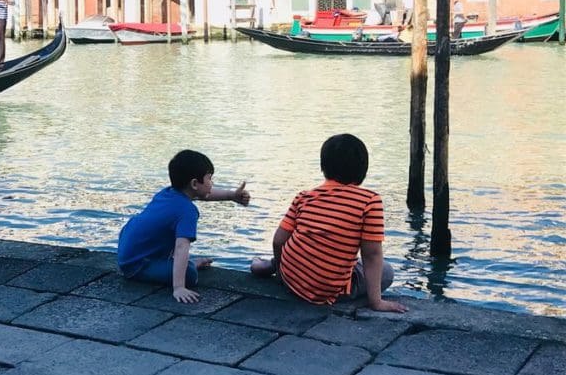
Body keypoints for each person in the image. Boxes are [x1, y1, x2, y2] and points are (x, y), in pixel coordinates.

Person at [250, 134, 407, 314]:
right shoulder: (369, 201)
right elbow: (371, 255)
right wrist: (376, 302)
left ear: (323, 167)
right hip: (325, 290)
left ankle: (270, 265)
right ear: (363, 169)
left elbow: (278, 241)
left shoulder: (304, 197)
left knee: (305, 244)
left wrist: (280, 272)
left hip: (290, 278)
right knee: (386, 271)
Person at [118, 150, 250, 304]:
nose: (212, 184)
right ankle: (190, 264)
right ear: (194, 183)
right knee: (191, 274)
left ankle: (175, 263)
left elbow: (204, 194)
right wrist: (179, 287)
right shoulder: (187, 211)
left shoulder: (168, 193)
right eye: (209, 179)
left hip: (127, 250)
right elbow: (181, 247)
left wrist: (231, 195)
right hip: (138, 265)